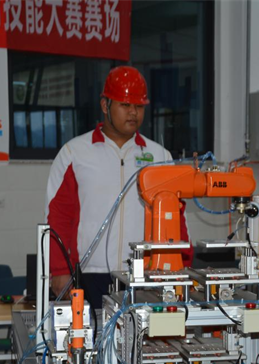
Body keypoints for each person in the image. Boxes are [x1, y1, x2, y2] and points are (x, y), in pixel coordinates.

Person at [45, 66, 191, 311]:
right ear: (105, 105)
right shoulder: (75, 153)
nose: (133, 112)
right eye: (125, 105)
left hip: (147, 275)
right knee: (93, 335)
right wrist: (59, 270)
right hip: (90, 274)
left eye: (139, 106)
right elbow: (58, 215)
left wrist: (184, 264)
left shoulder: (160, 157)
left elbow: (177, 218)